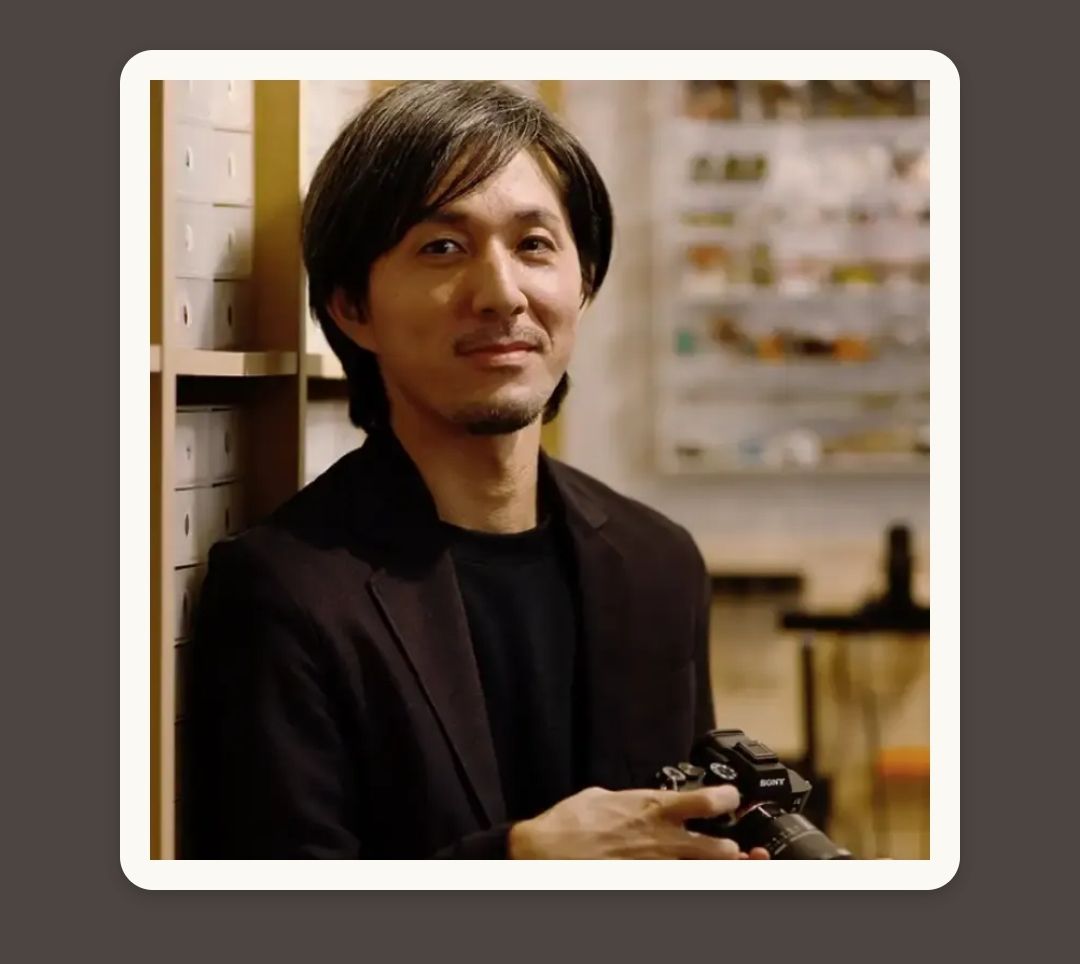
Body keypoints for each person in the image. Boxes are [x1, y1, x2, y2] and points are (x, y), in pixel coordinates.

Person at [182, 80, 769, 860]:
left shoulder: (658, 561)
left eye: (534, 245)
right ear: (353, 307)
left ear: (584, 282)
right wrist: (517, 862)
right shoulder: (287, 592)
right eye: (443, 248)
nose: (501, 294)